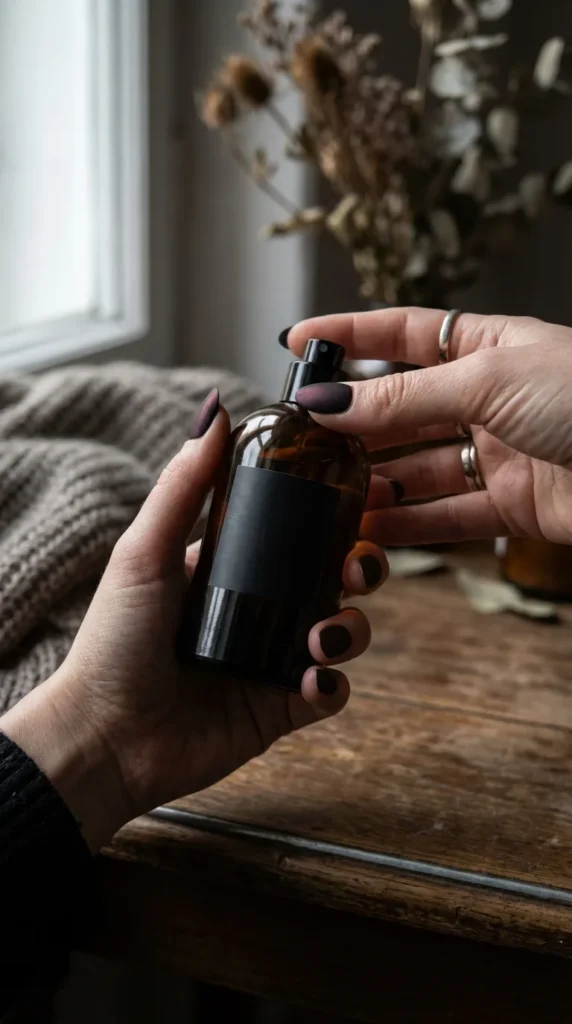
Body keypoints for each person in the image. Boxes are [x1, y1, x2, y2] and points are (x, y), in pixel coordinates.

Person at [1, 305, 571, 1009]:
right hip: (197, 661)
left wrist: (97, 748)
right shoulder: (265, 431)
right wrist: (97, 728)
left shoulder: (337, 453)